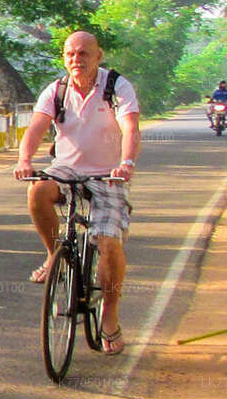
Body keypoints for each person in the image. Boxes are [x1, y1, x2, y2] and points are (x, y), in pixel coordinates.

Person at [14, 31, 140, 356]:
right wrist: (25, 160)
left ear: (98, 56)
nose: (76, 59)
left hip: (108, 174)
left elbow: (130, 127)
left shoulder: (117, 87)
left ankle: (109, 318)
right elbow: (37, 127)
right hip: (66, 169)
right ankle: (53, 253)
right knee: (37, 189)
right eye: (70, 54)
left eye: (84, 53)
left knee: (109, 243)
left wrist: (126, 163)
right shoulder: (56, 90)